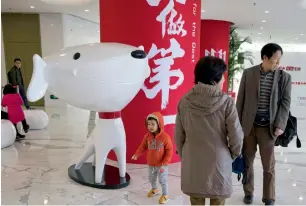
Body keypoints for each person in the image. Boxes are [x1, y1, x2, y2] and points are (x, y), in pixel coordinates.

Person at [175, 56, 244, 205]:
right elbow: (236, 137)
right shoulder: (226, 102)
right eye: (222, 77)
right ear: (214, 79)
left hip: (193, 162)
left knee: (196, 200)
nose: (224, 81)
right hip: (219, 162)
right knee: (218, 200)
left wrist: (186, 155)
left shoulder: (184, 101)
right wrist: (231, 155)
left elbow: (178, 136)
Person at [236, 43, 292, 205]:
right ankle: (248, 192)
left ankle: (269, 196)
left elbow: (285, 103)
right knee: (247, 161)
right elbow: (240, 101)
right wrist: (237, 125)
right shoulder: (249, 74)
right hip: (249, 126)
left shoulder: (284, 78)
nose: (278, 63)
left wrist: (280, 124)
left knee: (269, 165)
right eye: (275, 59)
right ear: (265, 58)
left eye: (279, 60)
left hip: (269, 128)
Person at [131, 112, 173, 204]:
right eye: (148, 124)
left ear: (159, 124)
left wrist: (165, 162)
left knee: (162, 180)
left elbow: (169, 151)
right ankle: (155, 189)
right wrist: (137, 154)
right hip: (151, 164)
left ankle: (165, 194)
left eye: (153, 124)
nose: (150, 126)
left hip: (162, 165)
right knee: (151, 178)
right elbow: (143, 147)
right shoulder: (147, 137)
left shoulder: (165, 137)